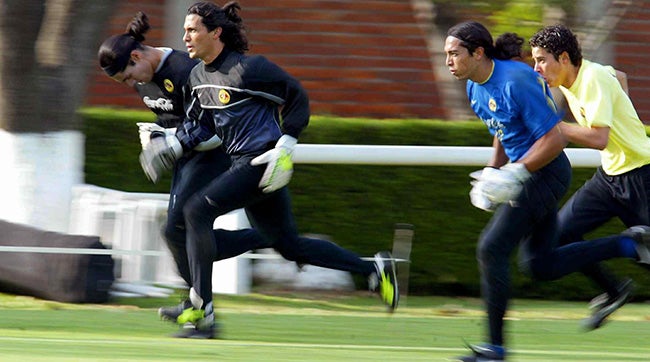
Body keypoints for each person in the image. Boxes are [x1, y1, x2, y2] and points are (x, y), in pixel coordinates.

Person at [138, 1, 399, 339]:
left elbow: (296, 95)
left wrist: (287, 143)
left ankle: (201, 306)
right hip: (243, 165)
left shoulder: (250, 69)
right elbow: (203, 127)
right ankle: (374, 269)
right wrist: (171, 144)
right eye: (185, 31)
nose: (184, 37)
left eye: (192, 30)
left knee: (195, 212)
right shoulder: (198, 76)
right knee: (289, 246)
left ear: (215, 33)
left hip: (262, 161)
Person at [444, 21, 650, 361]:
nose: (536, 68)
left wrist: (518, 170)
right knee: (541, 264)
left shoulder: (521, 80)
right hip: (591, 175)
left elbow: (562, 137)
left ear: (477, 52)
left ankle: (494, 349)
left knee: (491, 248)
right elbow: (504, 128)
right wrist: (493, 173)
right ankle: (625, 250)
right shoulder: (476, 87)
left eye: (453, 53)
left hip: (591, 174)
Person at [97, 11, 272, 334]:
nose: (131, 83)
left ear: (136, 55)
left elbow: (216, 127)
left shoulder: (184, 70)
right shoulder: (143, 79)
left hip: (217, 154)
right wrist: (154, 138)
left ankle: (202, 309)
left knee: (179, 228)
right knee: (177, 234)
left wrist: (173, 145)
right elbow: (173, 123)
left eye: (128, 75)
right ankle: (204, 299)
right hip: (189, 158)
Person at [530, 24, 650, 330]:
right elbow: (619, 78)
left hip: (641, 176)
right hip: (609, 179)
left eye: (541, 60)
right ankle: (614, 290)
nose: (536, 68)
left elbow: (599, 139)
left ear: (565, 58)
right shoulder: (580, 78)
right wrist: (624, 113)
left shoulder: (593, 77)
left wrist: (555, 125)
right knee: (559, 235)